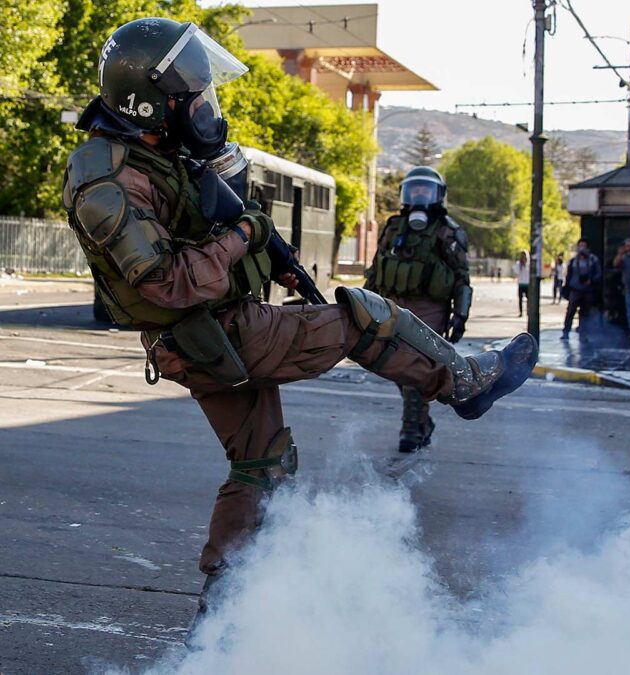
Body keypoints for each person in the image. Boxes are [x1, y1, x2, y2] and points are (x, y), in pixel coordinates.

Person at [61, 17, 537, 630]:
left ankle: (225, 601)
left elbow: (205, 214)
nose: (206, 108)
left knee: (262, 463)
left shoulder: (150, 152)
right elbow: (169, 281)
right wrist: (244, 235)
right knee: (364, 319)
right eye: (193, 97)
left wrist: (271, 254)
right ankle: (464, 381)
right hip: (211, 332)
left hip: (206, 334)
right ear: (152, 103)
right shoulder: (109, 178)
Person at [364, 166, 473, 453]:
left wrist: (460, 316)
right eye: (415, 190)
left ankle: (411, 430)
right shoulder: (393, 227)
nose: (420, 196)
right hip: (392, 306)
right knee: (396, 368)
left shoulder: (448, 231)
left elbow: (462, 277)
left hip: (430, 310)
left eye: (426, 191)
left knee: (413, 368)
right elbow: (377, 267)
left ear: (438, 196)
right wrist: (362, 301)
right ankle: (423, 423)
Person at [562, 238, 601, 340]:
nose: (582, 248)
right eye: (580, 246)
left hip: (588, 290)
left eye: (584, 246)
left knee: (585, 313)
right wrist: (566, 288)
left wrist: (591, 280)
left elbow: (599, 274)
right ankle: (566, 332)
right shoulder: (573, 261)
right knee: (570, 311)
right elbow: (568, 275)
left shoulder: (593, 260)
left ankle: (583, 333)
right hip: (575, 289)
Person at [513, 251, 530, 317]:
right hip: (521, 284)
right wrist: (520, 264)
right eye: (522, 256)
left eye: (524, 256)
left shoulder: (529, 264)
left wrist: (525, 264)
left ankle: (528, 311)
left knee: (528, 299)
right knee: (520, 299)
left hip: (527, 284)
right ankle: (521, 312)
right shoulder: (518, 264)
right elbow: (516, 271)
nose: (523, 258)